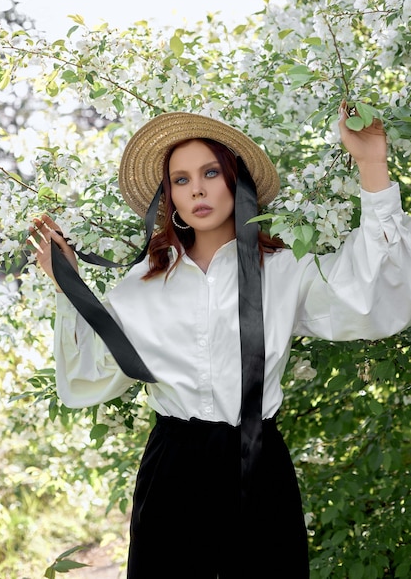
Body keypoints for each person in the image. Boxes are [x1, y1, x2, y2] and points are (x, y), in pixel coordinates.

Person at [29, 104, 411, 579]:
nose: (198, 190)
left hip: (259, 462)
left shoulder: (285, 271)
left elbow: (368, 292)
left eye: (211, 172)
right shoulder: (138, 288)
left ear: (236, 180)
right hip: (173, 470)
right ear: (168, 196)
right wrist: (69, 285)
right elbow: (91, 375)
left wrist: (373, 166)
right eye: (181, 180)